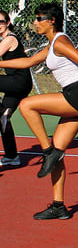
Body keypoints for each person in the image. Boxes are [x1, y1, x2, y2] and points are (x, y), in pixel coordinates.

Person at [0, 2, 78, 220]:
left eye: (39, 18)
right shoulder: (50, 45)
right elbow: (28, 61)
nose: (35, 23)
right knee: (58, 153)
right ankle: (58, 205)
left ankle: (47, 152)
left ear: (51, 20)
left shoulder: (61, 41)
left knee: (27, 105)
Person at [0, 11, 33, 167]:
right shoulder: (5, 39)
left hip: (18, 81)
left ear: (7, 22)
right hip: (20, 83)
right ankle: (12, 156)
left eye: (1, 21)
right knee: (2, 118)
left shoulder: (9, 39)